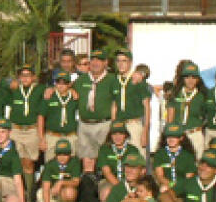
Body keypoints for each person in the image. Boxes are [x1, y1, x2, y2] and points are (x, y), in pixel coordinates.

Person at [73, 49, 117, 188]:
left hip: (103, 124)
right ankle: (88, 195)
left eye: (99, 60)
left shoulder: (112, 80)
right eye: (93, 60)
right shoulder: (81, 80)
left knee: (102, 160)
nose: (96, 63)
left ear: (105, 63)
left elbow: (116, 102)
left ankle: (102, 191)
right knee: (87, 162)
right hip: (85, 125)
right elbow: (67, 89)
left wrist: (114, 125)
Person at [8, 65, 44, 202]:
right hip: (16, 129)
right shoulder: (14, 90)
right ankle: (22, 191)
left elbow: (52, 89)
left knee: (29, 162)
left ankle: (30, 193)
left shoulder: (39, 90)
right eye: (22, 75)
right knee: (19, 161)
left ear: (34, 77)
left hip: (31, 130)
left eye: (28, 75)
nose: (25, 78)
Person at [112, 49, 152, 157]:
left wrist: (145, 130)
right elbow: (114, 106)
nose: (121, 64)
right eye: (118, 61)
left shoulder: (138, 80)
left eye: (124, 61)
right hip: (120, 126)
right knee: (121, 157)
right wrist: (113, 126)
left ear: (130, 62)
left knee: (137, 157)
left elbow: (147, 106)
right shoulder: (115, 80)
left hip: (134, 124)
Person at [96, 121, 145, 202]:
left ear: (125, 135)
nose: (117, 137)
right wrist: (121, 188)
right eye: (114, 134)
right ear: (110, 136)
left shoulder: (132, 149)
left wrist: (131, 186)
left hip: (130, 181)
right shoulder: (104, 149)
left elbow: (138, 170)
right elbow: (107, 173)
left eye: (120, 134)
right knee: (106, 193)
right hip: (109, 181)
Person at [168, 62, 209, 158]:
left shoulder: (202, 96)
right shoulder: (175, 94)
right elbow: (170, 119)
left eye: (193, 77)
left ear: (198, 79)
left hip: (195, 134)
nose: (190, 80)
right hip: (178, 135)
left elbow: (206, 116)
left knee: (198, 162)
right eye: (187, 77)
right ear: (183, 78)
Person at [39, 138, 81, 202]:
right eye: (59, 154)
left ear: (70, 154)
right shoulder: (50, 165)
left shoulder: (75, 162)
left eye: (65, 154)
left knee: (70, 192)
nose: (62, 157)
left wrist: (61, 183)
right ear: (55, 154)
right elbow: (45, 188)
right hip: (50, 193)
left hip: (63, 193)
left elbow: (76, 182)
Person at [41, 71, 78, 163]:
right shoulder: (49, 97)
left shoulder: (75, 98)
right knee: (50, 164)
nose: (61, 85)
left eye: (64, 83)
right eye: (58, 82)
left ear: (69, 84)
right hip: (52, 136)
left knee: (70, 166)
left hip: (70, 136)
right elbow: (41, 117)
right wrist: (42, 138)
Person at [153, 122, 196, 193]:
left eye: (175, 137)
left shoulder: (188, 155)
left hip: (184, 188)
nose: (171, 139)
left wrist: (177, 188)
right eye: (168, 136)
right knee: (163, 190)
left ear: (181, 138)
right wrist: (170, 185)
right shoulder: (160, 154)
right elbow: (160, 176)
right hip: (166, 187)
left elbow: (189, 178)